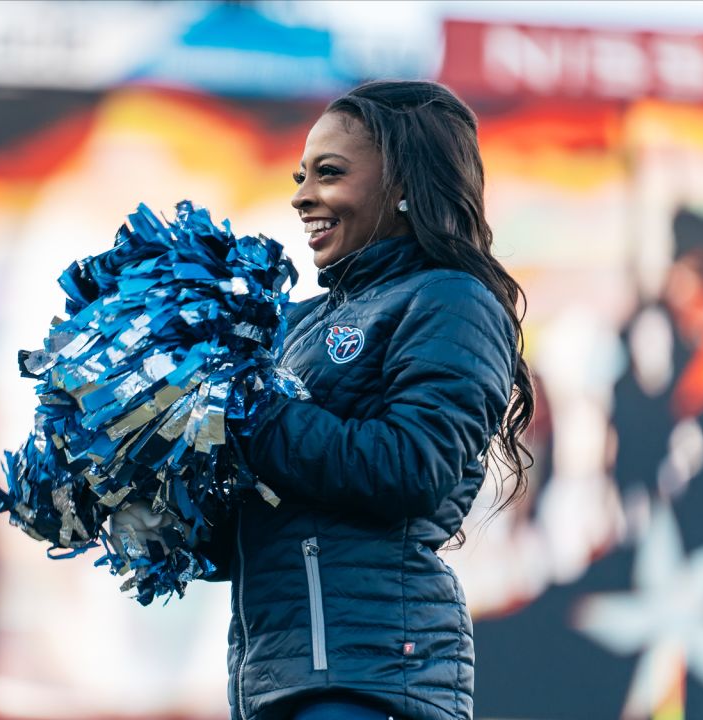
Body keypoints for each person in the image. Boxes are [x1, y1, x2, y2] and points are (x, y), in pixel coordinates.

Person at [208, 80, 536, 720]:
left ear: (403, 184)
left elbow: (411, 468)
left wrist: (254, 411)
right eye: (302, 175)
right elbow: (280, 513)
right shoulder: (298, 325)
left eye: (329, 173)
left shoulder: (450, 300)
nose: (302, 196)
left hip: (370, 682)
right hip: (279, 680)